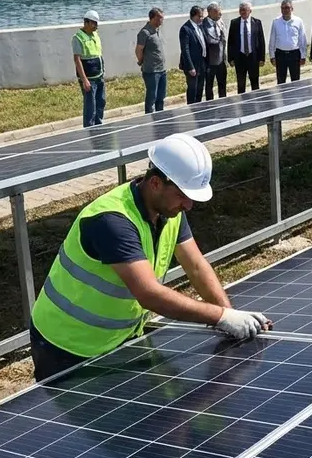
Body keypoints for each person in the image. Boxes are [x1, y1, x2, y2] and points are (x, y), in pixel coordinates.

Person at [28, 134, 272, 381]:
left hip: (117, 339)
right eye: (183, 195)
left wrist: (229, 314)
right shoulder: (112, 221)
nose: (188, 205)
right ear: (156, 183)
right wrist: (221, 318)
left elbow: (196, 267)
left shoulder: (169, 210)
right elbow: (149, 294)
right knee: (88, 418)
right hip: (67, 345)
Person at [73, 9, 106, 128]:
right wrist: (84, 80)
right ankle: (89, 129)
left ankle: (99, 126)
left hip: (99, 76)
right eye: (93, 23)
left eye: (96, 23)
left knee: (101, 102)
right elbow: (77, 60)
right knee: (90, 107)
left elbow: (98, 54)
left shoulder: (95, 35)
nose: (96, 26)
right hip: (89, 79)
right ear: (86, 23)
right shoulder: (78, 38)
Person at [227, 1, 266, 94]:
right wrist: (230, 58)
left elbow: (261, 41)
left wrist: (262, 58)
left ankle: (256, 100)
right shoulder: (234, 23)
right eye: (241, 10)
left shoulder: (257, 22)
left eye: (245, 10)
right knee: (241, 84)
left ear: (250, 11)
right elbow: (230, 42)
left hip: (253, 57)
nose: (243, 12)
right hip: (240, 57)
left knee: (255, 82)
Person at [135, 7, 166, 114]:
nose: (161, 21)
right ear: (152, 18)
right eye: (159, 18)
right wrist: (141, 61)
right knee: (152, 97)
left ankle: (160, 116)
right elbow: (139, 50)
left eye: (162, 18)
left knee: (161, 97)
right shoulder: (145, 32)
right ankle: (150, 117)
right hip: (152, 71)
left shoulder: (157, 31)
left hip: (162, 69)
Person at [268, 0, 307, 85]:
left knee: (295, 80)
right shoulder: (276, 22)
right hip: (280, 55)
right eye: (283, 8)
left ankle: (296, 97)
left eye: (287, 8)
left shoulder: (298, 21)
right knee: (281, 81)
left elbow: (302, 40)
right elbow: (272, 40)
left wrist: (303, 56)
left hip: (294, 55)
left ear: (292, 9)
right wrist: (272, 56)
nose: (285, 10)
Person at [179, 6, 207, 104]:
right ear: (193, 16)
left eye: (202, 16)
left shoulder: (200, 27)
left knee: (200, 89)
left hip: (202, 63)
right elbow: (185, 49)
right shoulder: (186, 29)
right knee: (192, 89)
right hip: (193, 65)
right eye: (200, 16)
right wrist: (190, 67)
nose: (202, 18)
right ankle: (191, 108)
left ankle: (198, 108)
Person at [201, 2, 227, 101]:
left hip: (221, 60)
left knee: (222, 85)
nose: (220, 14)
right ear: (210, 12)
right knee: (209, 86)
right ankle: (210, 105)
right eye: (217, 11)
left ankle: (223, 102)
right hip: (210, 62)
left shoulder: (220, 22)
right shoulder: (204, 24)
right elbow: (208, 41)